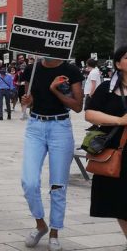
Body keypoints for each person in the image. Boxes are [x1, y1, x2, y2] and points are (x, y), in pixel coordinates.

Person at [20, 56, 84, 251]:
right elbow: (28, 101)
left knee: (58, 184)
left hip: (60, 127)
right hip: (35, 126)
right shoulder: (32, 69)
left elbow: (78, 106)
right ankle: (41, 225)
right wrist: (27, 102)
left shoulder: (71, 70)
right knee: (29, 182)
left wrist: (54, 90)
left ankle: (55, 232)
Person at [84, 45, 127, 246]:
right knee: (120, 203)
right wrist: (119, 121)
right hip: (117, 152)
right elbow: (90, 114)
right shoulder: (107, 88)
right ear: (118, 64)